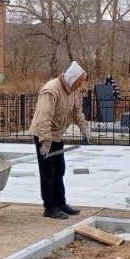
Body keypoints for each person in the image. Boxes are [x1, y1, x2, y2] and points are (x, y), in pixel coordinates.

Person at [30, 60, 92, 219]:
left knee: (60, 169)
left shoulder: (73, 91)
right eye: (79, 83)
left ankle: (61, 202)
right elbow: (43, 119)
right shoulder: (51, 91)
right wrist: (45, 142)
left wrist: (84, 128)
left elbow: (77, 112)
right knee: (48, 171)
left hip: (57, 134)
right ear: (72, 80)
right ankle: (50, 207)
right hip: (44, 134)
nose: (80, 87)